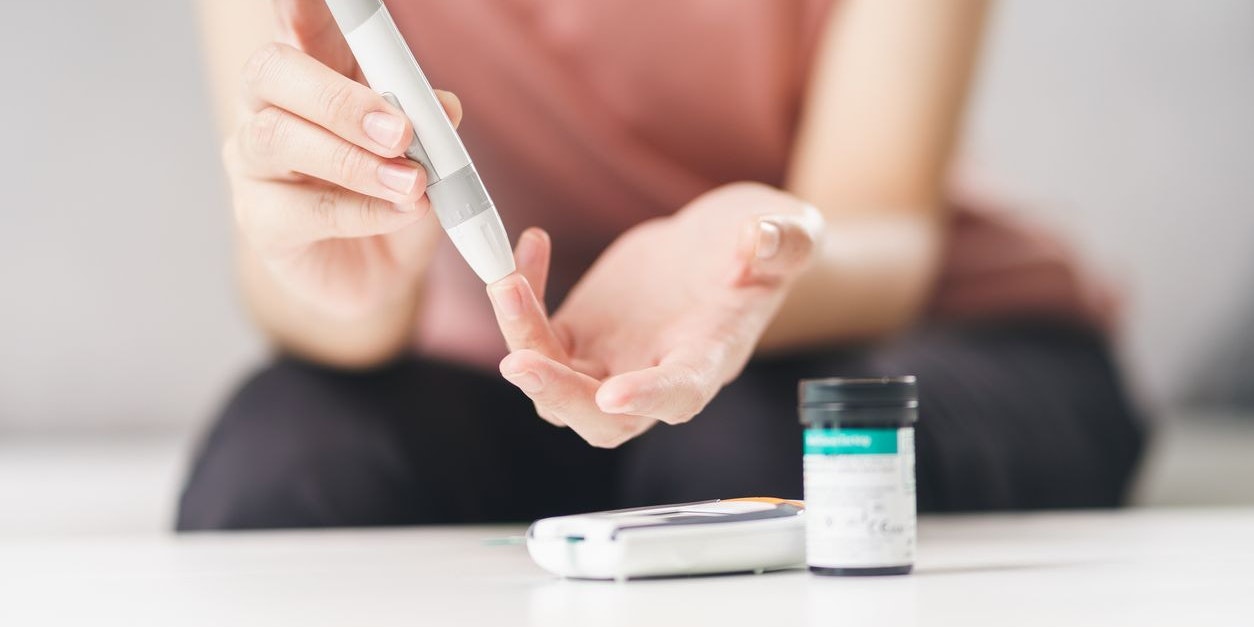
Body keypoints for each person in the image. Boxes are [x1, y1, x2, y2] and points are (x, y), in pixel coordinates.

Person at [178, 0, 1144, 530]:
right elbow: (283, 270)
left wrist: (741, 254)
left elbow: (883, 234)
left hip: (896, 325)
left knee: (745, 464)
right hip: (503, 361)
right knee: (283, 470)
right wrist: (362, 277)